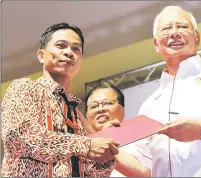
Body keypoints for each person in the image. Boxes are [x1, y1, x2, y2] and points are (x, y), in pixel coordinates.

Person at [115, 5, 201, 177]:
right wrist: (100, 146)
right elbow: (145, 169)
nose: (174, 33)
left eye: (183, 26)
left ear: (197, 37)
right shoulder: (149, 106)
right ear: (156, 44)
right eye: (166, 29)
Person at [1, 22, 120, 177]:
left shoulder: (76, 117)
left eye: (76, 49)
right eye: (61, 45)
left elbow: (89, 172)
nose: (69, 52)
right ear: (41, 55)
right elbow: (18, 136)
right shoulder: (25, 88)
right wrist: (85, 144)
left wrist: (106, 155)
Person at [85, 84, 129, 177]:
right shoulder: (81, 148)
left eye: (108, 103)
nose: (100, 109)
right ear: (87, 115)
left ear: (122, 109)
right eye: (94, 106)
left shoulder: (140, 138)